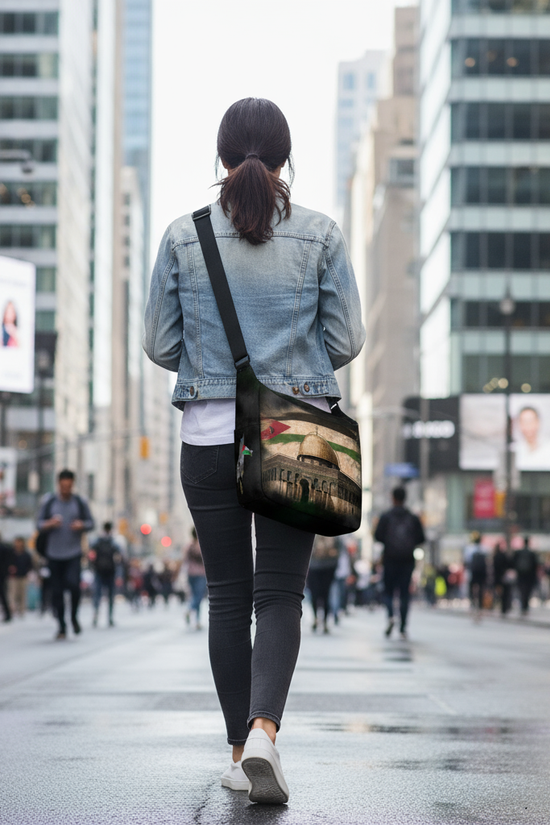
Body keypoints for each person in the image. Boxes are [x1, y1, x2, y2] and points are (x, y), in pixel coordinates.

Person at [143, 98, 365, 804]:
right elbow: (347, 340)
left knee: (227, 597)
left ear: (221, 157)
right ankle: (267, 730)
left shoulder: (184, 236)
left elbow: (158, 344)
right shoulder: (321, 235)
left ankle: (239, 751)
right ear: (284, 156)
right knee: (280, 596)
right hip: (295, 435)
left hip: (209, 436)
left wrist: (211, 369)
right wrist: (294, 363)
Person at [36, 469, 94, 640]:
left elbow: (91, 523)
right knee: (57, 592)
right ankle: (61, 625)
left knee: (74, 586)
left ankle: (73, 617)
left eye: (68, 486)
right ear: (58, 485)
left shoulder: (79, 502)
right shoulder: (49, 502)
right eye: (63, 486)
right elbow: (38, 524)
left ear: (73, 485)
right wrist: (50, 523)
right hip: (53, 554)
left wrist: (81, 525)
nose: (65, 489)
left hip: (73, 553)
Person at [374, 487, 425, 639]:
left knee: (388, 592)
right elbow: (421, 538)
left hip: (390, 559)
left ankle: (390, 616)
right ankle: (403, 627)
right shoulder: (413, 518)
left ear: (393, 498)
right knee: (404, 594)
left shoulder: (386, 516)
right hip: (407, 560)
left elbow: (378, 536)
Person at [90, 522, 120, 628]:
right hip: (110, 572)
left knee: (97, 595)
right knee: (110, 596)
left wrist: (92, 564)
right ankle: (110, 618)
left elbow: (91, 552)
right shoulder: (113, 542)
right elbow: (119, 555)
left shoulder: (98, 540)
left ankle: (96, 615)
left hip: (99, 571)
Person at [307, 536, 339, 634]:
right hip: (313, 567)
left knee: (325, 594)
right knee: (314, 594)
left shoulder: (334, 535)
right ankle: (316, 618)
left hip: (328, 567)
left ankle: (324, 620)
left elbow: (338, 551)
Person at [183, 528, 207, 630]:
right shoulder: (200, 545)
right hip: (200, 574)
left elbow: (184, 560)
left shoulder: (188, 546)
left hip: (190, 573)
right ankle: (190, 610)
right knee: (199, 596)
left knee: (195, 596)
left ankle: (197, 621)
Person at [7, 536, 33, 617]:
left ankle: (22, 611)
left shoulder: (26, 554)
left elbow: (30, 565)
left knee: (23, 594)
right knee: (12, 594)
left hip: (23, 576)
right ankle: (12, 610)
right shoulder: (11, 553)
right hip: (13, 577)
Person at [514, 536, 538, 616]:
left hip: (520, 576)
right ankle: (525, 607)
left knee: (521, 591)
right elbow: (535, 566)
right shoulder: (532, 553)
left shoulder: (518, 553)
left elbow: (514, 564)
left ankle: (523, 607)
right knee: (527, 592)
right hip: (529, 576)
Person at [492, 542, 513, 615]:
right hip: (505, 577)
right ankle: (504, 607)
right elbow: (510, 565)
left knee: (499, 593)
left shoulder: (495, 556)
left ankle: (500, 607)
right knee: (505, 593)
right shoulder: (505, 555)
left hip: (498, 578)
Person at [0, 535, 13, 622]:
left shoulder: (4, 548)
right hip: (3, 574)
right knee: (3, 595)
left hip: (2, 574)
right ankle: (8, 613)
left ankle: (8, 613)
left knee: (3, 595)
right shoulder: (5, 548)